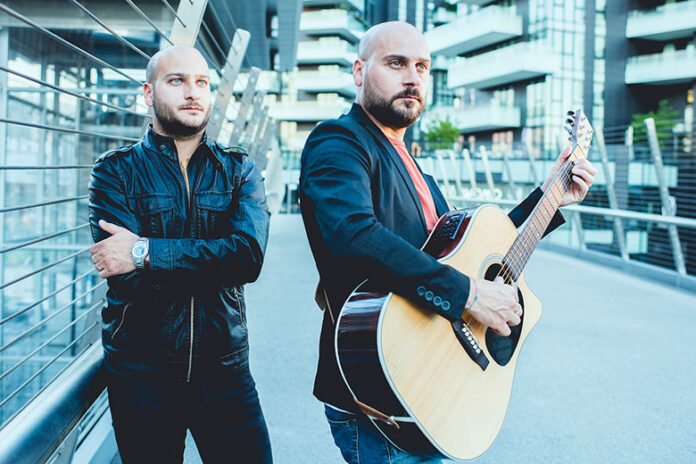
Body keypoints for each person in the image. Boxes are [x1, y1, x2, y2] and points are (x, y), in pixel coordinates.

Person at [299, 22, 596, 464]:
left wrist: (550, 197)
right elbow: (353, 235)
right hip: (381, 393)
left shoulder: (418, 170)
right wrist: (470, 295)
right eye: (396, 63)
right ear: (359, 71)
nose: (413, 77)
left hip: (427, 384)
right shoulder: (339, 142)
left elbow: (473, 251)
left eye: (422, 66)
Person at [88, 46, 272, 464]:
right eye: (178, 81)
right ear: (148, 94)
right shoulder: (114, 172)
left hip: (224, 369)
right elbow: (126, 277)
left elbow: (247, 259)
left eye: (202, 83)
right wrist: (211, 260)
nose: (193, 92)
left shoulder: (239, 170)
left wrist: (144, 250)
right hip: (141, 372)